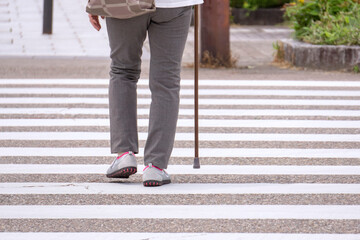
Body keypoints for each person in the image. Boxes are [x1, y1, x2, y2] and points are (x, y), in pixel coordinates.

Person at [89, 0, 203, 187]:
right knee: (167, 82)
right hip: (174, 6)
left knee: (122, 71)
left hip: (125, 4)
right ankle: (155, 166)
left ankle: (124, 154)